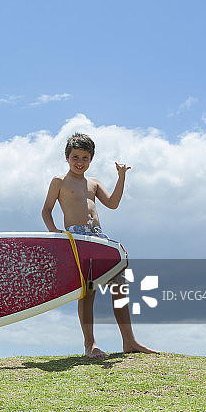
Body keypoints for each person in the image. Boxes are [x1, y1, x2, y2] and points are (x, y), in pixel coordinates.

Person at [41, 132, 158, 358]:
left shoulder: (93, 183)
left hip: (99, 238)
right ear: (66, 157)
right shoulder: (59, 181)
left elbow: (112, 204)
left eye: (85, 158)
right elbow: (46, 210)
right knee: (88, 292)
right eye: (75, 157)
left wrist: (121, 177)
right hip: (77, 239)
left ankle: (129, 341)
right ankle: (90, 344)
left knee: (119, 286)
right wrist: (55, 234)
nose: (80, 162)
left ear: (91, 159)